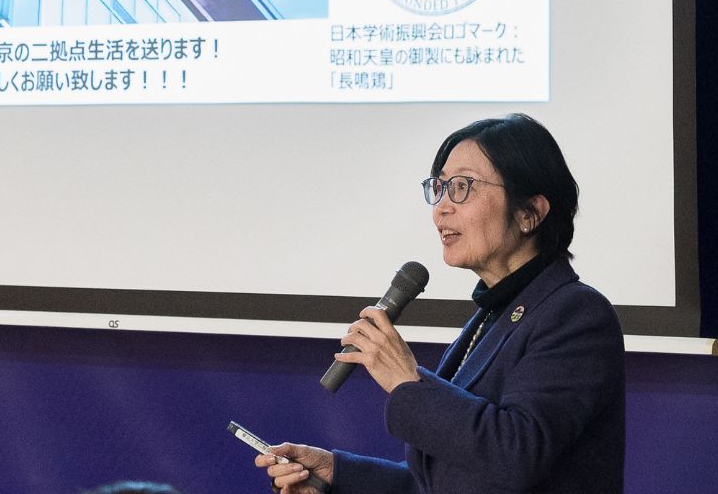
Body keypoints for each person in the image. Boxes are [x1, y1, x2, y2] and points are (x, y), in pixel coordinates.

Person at [256, 114, 625, 494]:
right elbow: (441, 482)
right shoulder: (491, 316)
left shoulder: (576, 314)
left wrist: (406, 380)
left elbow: (514, 457)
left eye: (463, 187)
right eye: (440, 187)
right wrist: (337, 475)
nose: (441, 209)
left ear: (529, 212)